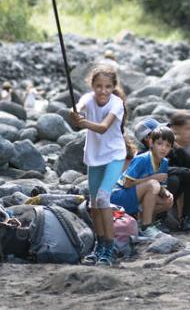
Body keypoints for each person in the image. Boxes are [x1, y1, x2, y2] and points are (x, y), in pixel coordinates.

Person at [69, 65, 128, 266]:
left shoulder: (117, 103)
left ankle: (109, 250)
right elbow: (78, 107)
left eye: (108, 87)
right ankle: (99, 246)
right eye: (99, 86)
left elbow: (103, 128)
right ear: (92, 86)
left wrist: (83, 123)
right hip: (95, 157)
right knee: (94, 203)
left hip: (114, 155)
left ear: (113, 87)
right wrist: (74, 113)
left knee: (103, 197)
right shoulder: (88, 98)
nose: (103, 91)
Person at [132, 117, 190, 232]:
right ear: (147, 138)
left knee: (188, 177)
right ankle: (159, 220)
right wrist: (184, 171)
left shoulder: (167, 150)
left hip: (167, 194)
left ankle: (186, 218)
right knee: (175, 179)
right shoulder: (142, 155)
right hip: (150, 196)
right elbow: (159, 172)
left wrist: (176, 147)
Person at [111, 126, 174, 239]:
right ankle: (146, 227)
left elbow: (160, 188)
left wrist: (166, 192)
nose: (163, 148)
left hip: (135, 195)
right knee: (152, 184)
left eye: (167, 145)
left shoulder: (164, 162)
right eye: (159, 143)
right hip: (118, 195)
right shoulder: (142, 159)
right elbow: (126, 184)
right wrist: (152, 178)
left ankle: (139, 222)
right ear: (151, 143)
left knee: (168, 201)